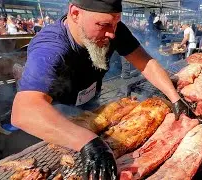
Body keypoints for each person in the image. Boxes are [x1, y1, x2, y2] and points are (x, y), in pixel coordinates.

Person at [11, 0, 192, 179]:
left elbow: (145, 62)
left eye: (116, 23)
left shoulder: (113, 30)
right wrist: (86, 140)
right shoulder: (50, 46)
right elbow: (24, 112)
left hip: (90, 104)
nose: (112, 34)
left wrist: (174, 97)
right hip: (57, 116)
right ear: (75, 13)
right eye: (103, 24)